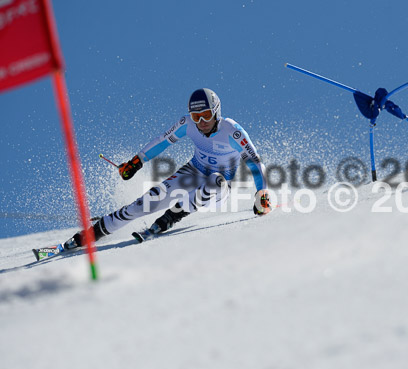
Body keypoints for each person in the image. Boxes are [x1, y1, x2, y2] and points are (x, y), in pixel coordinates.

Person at [64, 88, 271, 249]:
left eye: (206, 115)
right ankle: (87, 236)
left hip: (219, 189)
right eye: (196, 116)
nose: (201, 122)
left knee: (215, 180)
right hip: (192, 173)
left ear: (217, 111)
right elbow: (162, 141)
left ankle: (170, 218)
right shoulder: (187, 123)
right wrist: (137, 162)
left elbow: (255, 162)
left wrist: (262, 193)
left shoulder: (232, 131)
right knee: (144, 203)